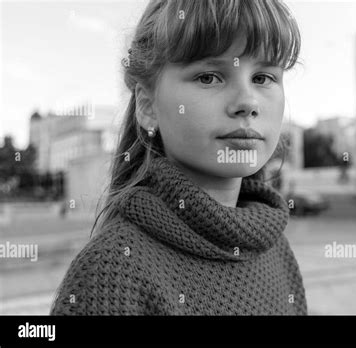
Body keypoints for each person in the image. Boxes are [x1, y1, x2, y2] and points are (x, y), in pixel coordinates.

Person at [50, 0, 307, 315]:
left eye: (263, 77)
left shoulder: (276, 249)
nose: (247, 102)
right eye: (209, 77)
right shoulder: (113, 271)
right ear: (147, 106)